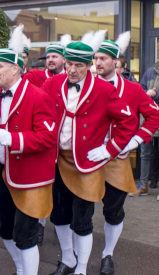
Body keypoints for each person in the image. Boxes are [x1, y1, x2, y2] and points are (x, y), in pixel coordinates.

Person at [43, 30, 138, 275]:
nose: (72, 70)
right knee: (59, 216)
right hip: (57, 160)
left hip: (86, 163)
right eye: (69, 64)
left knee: (82, 219)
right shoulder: (52, 83)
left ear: (88, 66)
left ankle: (82, 268)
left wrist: (110, 149)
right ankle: (68, 259)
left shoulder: (104, 90)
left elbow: (127, 122)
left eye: (79, 65)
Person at [0, 25, 57, 275]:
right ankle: (22, 269)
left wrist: (15, 139)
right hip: (5, 177)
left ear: (16, 69)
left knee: (26, 236)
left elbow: (48, 137)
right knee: (5, 233)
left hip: (31, 179)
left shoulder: (38, 96)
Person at [94, 32, 159, 274]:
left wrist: (136, 140)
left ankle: (107, 253)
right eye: (95, 58)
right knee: (80, 210)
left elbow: (153, 116)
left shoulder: (132, 90)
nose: (98, 63)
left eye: (104, 58)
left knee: (113, 210)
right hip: (87, 159)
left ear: (116, 63)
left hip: (117, 159)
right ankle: (75, 257)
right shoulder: (86, 86)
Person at [133, 60, 159, 196]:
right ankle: (143, 184)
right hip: (148, 119)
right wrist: (146, 92)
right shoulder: (150, 71)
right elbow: (140, 90)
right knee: (145, 154)